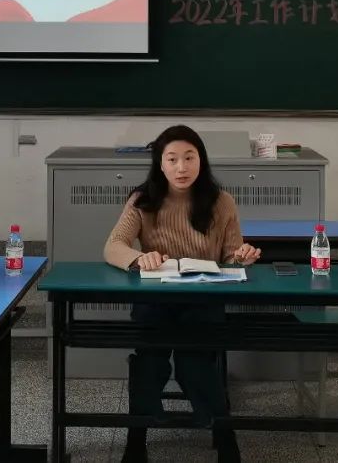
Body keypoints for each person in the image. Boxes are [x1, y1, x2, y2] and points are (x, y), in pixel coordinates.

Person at [104, 125, 261, 463]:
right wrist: (138, 258)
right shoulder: (143, 200)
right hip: (155, 299)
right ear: (160, 164)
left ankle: (225, 438)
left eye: (189, 158)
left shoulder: (221, 202)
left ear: (201, 161)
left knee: (195, 362)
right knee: (149, 362)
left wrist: (241, 256)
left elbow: (231, 255)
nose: (181, 167)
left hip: (203, 298)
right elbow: (113, 246)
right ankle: (136, 439)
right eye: (172, 159)